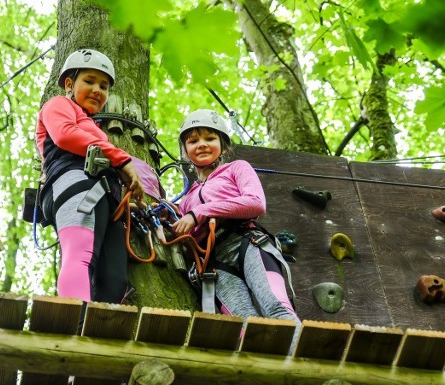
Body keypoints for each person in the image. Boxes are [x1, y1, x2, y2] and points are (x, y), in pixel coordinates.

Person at [35, 48, 144, 304]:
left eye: (104, 86)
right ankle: (74, 321)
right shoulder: (58, 105)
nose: (98, 90)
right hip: (74, 184)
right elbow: (64, 135)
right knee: (80, 254)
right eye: (90, 81)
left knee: (114, 277)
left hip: (106, 197)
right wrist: (121, 159)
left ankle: (100, 328)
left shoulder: (91, 125)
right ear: (70, 84)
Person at [171, 109, 298, 322]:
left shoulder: (236, 169)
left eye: (210, 138)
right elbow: (186, 241)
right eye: (193, 141)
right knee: (242, 323)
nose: (201, 144)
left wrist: (200, 211)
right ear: (185, 151)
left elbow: (256, 203)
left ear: (223, 146)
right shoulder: (186, 199)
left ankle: (297, 354)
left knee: (277, 308)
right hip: (216, 262)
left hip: (249, 243)